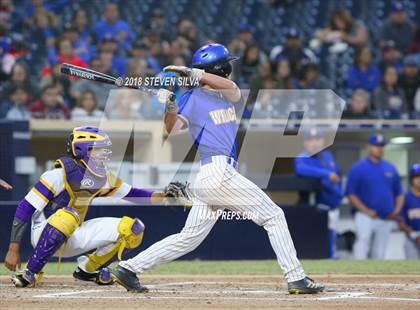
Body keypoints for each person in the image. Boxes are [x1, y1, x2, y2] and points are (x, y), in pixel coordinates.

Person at [109, 43, 325, 294]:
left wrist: (194, 74)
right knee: (273, 216)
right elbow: (172, 128)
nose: (230, 70)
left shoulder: (225, 95)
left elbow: (234, 89)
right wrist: (170, 105)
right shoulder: (191, 98)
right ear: (220, 68)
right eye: (226, 65)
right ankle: (296, 277)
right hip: (217, 173)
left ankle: (129, 267)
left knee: (188, 238)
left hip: (216, 177)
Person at [4, 126, 188, 287]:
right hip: (43, 231)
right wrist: (13, 250)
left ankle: (87, 270)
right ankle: (30, 273)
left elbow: (135, 194)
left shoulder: (103, 177)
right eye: (98, 149)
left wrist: (165, 195)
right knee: (68, 215)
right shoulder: (57, 175)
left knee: (133, 229)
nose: (104, 153)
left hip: (74, 232)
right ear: (82, 150)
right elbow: (24, 208)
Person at [346, 134, 404, 259]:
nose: (379, 148)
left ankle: (377, 276)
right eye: (376, 145)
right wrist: (366, 211)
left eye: (382, 146)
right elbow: (351, 194)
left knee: (380, 249)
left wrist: (396, 210)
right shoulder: (358, 168)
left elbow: (399, 193)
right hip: (364, 215)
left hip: (386, 216)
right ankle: (358, 273)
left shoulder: (390, 167)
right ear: (368, 147)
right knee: (363, 242)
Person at [294, 128, 343, 258]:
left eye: (317, 139)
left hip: (333, 205)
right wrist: (326, 174)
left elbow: (337, 175)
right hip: (316, 207)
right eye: (310, 140)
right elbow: (300, 169)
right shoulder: (302, 157)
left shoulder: (327, 156)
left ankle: (331, 259)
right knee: (318, 241)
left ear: (323, 142)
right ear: (305, 143)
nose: (314, 143)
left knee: (332, 238)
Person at [398, 164, 420, 259]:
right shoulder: (405, 198)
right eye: (416, 177)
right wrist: (414, 236)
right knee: (412, 267)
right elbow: (401, 222)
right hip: (411, 237)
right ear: (411, 179)